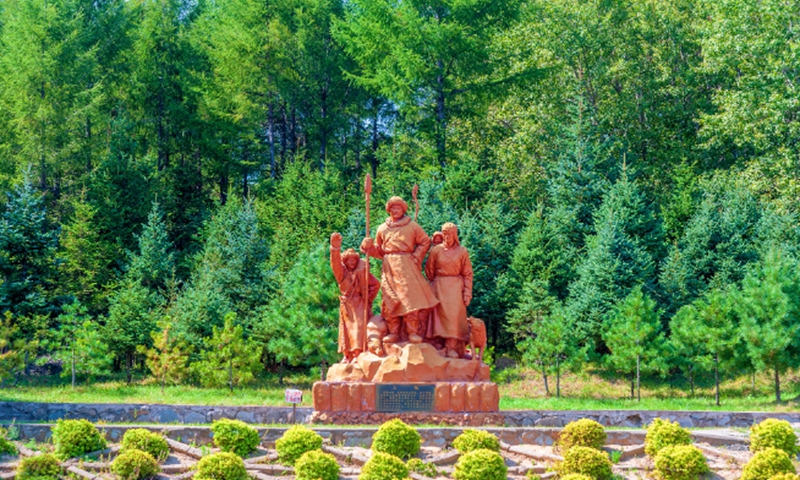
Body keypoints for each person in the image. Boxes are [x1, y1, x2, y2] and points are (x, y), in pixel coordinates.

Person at [361, 196, 439, 344]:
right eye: (392, 208)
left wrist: (416, 258)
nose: (394, 210)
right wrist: (369, 247)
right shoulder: (382, 228)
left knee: (410, 300)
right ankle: (394, 332)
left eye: (398, 208)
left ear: (403, 209)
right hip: (389, 266)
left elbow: (425, 241)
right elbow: (379, 251)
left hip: (406, 265)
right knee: (390, 300)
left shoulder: (412, 226)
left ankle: (412, 332)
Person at [425, 222, 473, 358]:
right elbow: (429, 270)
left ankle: (451, 347)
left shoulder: (462, 251)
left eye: (450, 234)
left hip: (456, 288)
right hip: (439, 286)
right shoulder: (436, 251)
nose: (447, 237)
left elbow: (468, 273)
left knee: (453, 317)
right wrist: (435, 283)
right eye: (444, 234)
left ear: (455, 235)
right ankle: (437, 343)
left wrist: (467, 292)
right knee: (438, 316)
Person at [330, 232, 380, 363]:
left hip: (359, 302)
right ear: (345, 261)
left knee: (358, 328)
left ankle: (358, 353)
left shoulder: (362, 273)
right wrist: (335, 249)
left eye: (354, 260)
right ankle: (347, 355)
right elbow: (335, 264)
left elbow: (375, 285)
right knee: (346, 330)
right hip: (347, 304)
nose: (351, 262)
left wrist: (368, 298)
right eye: (349, 260)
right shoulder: (342, 274)